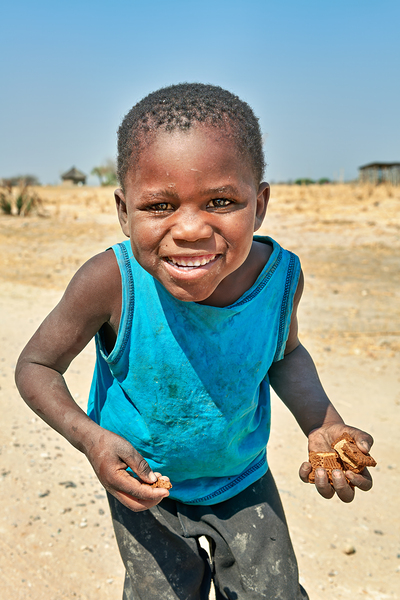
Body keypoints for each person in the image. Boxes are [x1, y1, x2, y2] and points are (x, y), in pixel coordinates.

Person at [15, 83, 374, 600]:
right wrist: (91, 440)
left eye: (221, 201)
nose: (189, 229)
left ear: (260, 204)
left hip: (242, 481)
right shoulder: (112, 283)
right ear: (124, 211)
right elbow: (37, 366)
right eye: (160, 205)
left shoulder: (278, 281)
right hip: (143, 490)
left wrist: (325, 423)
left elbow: (285, 354)